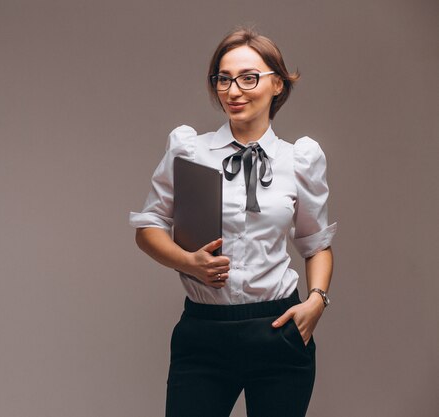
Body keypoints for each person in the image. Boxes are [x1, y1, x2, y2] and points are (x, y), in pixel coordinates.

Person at [129, 27, 337, 417]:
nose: (233, 90)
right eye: (223, 79)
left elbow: (316, 244)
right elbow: (148, 228)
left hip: (279, 331)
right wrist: (188, 262)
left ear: (277, 84)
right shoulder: (190, 150)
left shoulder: (300, 160)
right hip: (204, 334)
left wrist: (316, 302)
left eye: (248, 77)